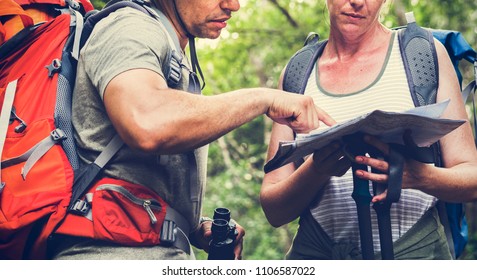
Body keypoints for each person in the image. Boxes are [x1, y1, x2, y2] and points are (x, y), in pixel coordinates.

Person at [45, 0, 334, 260]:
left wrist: (189, 227)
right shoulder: (128, 27)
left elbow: (129, 176)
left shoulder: (169, 46)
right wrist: (262, 98)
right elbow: (147, 123)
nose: (233, 6)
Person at [261, 0, 477, 260]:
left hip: (415, 254)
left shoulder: (422, 56)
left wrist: (419, 176)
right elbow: (274, 210)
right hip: (318, 254)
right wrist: (316, 169)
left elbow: (472, 179)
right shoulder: (298, 72)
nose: (357, 2)